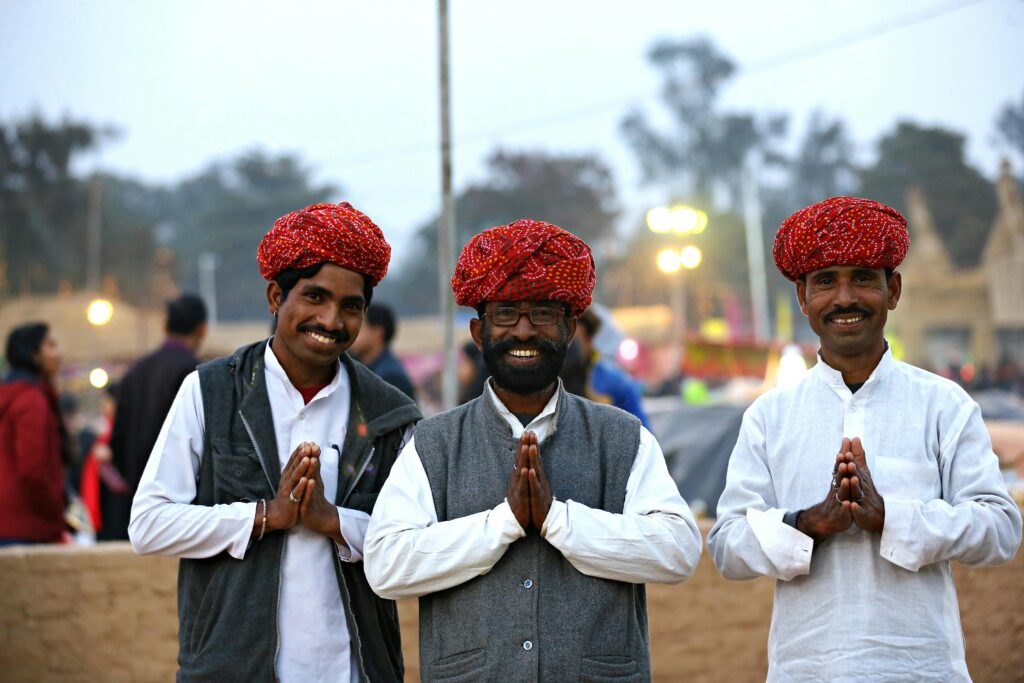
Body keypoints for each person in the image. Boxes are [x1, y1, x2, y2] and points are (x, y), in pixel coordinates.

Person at [365, 218, 701, 681]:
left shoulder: (621, 436)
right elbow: (385, 566)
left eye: (542, 314)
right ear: (480, 333)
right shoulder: (433, 444)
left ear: (569, 329)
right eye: (506, 314)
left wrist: (558, 520)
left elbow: (679, 550)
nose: (523, 331)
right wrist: (502, 523)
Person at [707, 196, 1022, 682]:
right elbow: (726, 545)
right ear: (802, 297)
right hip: (806, 669)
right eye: (826, 281)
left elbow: (1001, 531)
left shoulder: (944, 404)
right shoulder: (769, 416)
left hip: (922, 669)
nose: (845, 297)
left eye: (863, 278)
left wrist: (892, 518)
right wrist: (809, 521)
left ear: (893, 290)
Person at [130, 202, 422, 682]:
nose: (331, 320)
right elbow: (148, 524)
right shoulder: (210, 391)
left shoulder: (389, 413)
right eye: (314, 297)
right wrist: (265, 516)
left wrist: (335, 522)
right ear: (275, 297)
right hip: (231, 668)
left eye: (351, 306)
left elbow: (416, 545)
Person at [101, 294, 208, 540]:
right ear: (202, 330)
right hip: (183, 508)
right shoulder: (197, 373)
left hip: (138, 502)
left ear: (164, 326)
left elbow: (118, 437)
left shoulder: (135, 371)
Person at [0, 323, 68, 545]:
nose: (59, 353)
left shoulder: (11, 395)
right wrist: (54, 508)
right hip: (27, 527)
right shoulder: (31, 401)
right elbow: (32, 470)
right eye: (51, 345)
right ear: (33, 355)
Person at [560, 308, 652, 430]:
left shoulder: (615, 384)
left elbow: (643, 435)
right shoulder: (543, 380)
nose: (568, 351)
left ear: (590, 340)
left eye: (573, 343)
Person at [348, 303, 416, 399]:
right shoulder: (364, 368)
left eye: (360, 328)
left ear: (377, 333)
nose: (353, 333)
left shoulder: (390, 378)